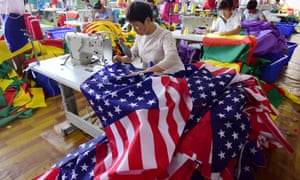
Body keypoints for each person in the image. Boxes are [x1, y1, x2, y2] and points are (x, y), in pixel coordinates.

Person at [113, 1, 184, 75]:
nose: (134, 29)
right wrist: (122, 59)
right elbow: (133, 54)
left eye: (136, 25)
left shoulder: (165, 35)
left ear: (148, 20)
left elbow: (172, 58)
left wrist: (144, 72)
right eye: (132, 25)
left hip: (171, 74)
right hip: (151, 74)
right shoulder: (140, 34)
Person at [0, 0, 30, 74]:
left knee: (17, 49)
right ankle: (22, 72)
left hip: (13, 18)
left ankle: (23, 72)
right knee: (15, 49)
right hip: (11, 18)